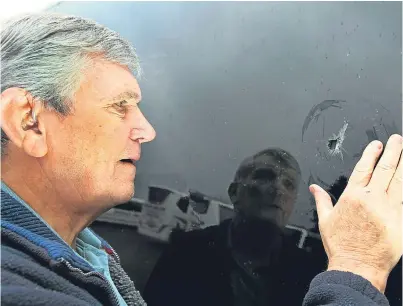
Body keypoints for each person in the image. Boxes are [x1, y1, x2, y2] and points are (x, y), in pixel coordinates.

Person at [0, 12, 401, 306]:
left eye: (287, 182)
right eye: (120, 106)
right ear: (29, 122)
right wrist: (357, 268)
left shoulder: (87, 257)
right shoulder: (19, 285)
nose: (148, 130)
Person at [144, 148, 328, 306]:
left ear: (292, 204)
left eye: (289, 184)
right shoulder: (185, 253)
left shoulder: (310, 275)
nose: (279, 189)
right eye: (264, 176)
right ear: (234, 192)